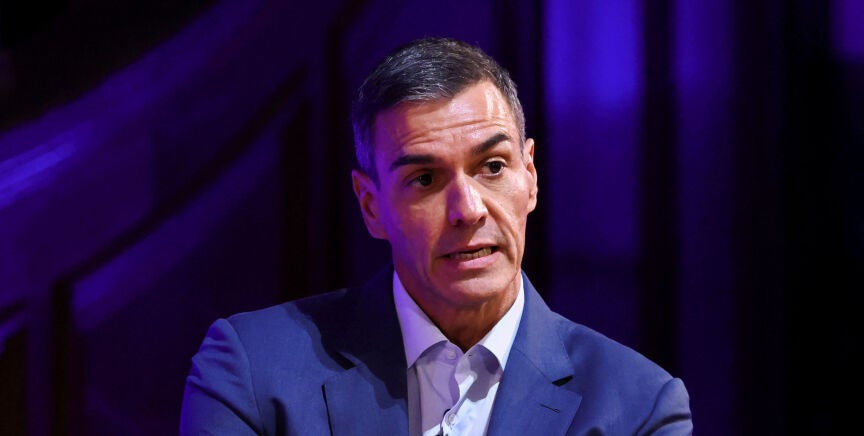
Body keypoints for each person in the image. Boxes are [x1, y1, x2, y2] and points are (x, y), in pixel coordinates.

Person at [180, 37, 693, 435]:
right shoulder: (251, 371)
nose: (467, 209)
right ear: (371, 206)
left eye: (493, 167)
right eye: (424, 179)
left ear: (530, 176)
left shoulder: (638, 406)